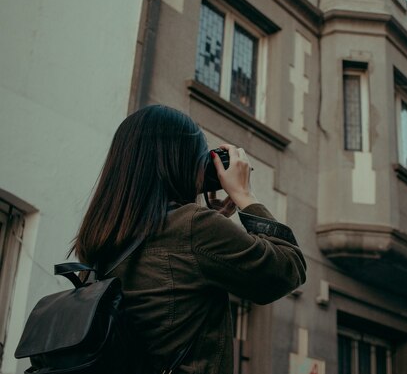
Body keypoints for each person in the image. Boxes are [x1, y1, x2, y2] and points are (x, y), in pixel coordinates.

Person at [70, 105, 306, 373]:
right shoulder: (193, 227)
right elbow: (286, 270)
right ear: (179, 162)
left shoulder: (101, 236)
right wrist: (244, 195)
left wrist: (212, 221)